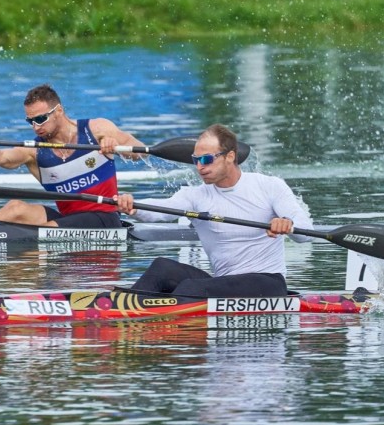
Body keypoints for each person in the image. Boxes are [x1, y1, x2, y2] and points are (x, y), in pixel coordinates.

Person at [116, 123, 312, 298]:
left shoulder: (269, 186)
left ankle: (144, 318)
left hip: (267, 283)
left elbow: (305, 232)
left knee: (192, 289)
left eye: (207, 159)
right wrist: (131, 206)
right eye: (196, 160)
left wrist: (287, 224)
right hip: (224, 283)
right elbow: (159, 210)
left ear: (230, 156)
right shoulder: (196, 195)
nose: (200, 167)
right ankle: (120, 309)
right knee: (162, 268)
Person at [0, 83, 146, 228]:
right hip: (67, 219)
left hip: (105, 218)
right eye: (30, 121)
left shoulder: (97, 129)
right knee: (15, 208)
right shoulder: (34, 151)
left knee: (44, 231)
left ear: (58, 111)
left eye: (40, 119)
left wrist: (117, 146)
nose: (36, 127)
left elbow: (140, 151)